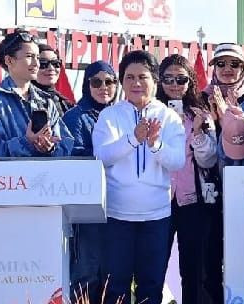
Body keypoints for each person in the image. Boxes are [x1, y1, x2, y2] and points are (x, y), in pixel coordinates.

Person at [92, 50, 186, 304]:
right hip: (117, 216)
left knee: (151, 286)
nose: (135, 83)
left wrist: (155, 145)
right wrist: (133, 138)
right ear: (121, 82)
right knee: (115, 287)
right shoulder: (109, 116)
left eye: (142, 77)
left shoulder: (169, 117)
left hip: (156, 217)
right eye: (129, 77)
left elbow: (177, 161)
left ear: (155, 81)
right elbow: (102, 155)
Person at [156, 54, 219, 304]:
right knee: (153, 267)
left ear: (190, 81)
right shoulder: (150, 113)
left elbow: (209, 160)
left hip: (193, 202)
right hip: (157, 202)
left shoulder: (201, 115)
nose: (174, 85)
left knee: (193, 269)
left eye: (180, 79)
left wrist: (197, 133)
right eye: (168, 79)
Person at [199, 42, 244, 303]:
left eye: (234, 64)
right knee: (208, 263)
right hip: (206, 193)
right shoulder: (200, 99)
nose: (227, 69)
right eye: (220, 63)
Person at [62, 60, 118, 301]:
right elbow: (73, 157)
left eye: (109, 82)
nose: (103, 87)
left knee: (112, 273)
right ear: (87, 84)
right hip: (89, 208)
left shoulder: (120, 114)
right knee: (88, 273)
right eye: (96, 82)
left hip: (118, 205)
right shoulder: (75, 117)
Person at [0, 29, 73, 158]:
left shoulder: (46, 102)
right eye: (29, 56)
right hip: (12, 177)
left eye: (37, 57)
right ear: (9, 61)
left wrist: (51, 147)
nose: (36, 63)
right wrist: (26, 142)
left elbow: (67, 144)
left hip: (46, 176)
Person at [33, 43, 74, 115]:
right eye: (43, 64)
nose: (51, 68)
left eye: (55, 63)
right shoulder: (23, 100)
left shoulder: (65, 103)